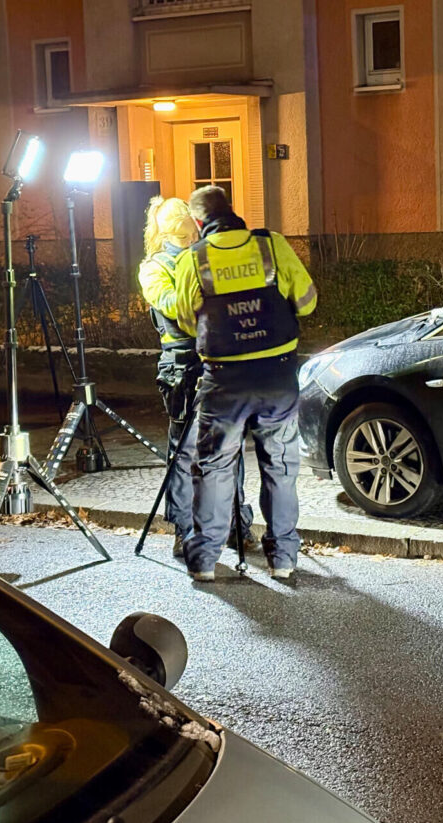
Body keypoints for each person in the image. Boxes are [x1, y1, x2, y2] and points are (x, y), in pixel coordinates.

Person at [172, 186, 317, 582]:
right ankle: (283, 558)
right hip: (277, 374)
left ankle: (204, 561)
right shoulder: (271, 246)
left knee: (215, 467)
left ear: (199, 221)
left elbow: (188, 321)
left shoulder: (194, 258)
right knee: (281, 465)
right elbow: (307, 301)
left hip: (224, 380)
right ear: (231, 210)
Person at [137, 196, 252, 560]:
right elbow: (176, 309)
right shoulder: (154, 269)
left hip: (217, 360)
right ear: (169, 233)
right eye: (185, 236)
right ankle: (185, 530)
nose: (189, 241)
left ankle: (235, 524)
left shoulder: (201, 260)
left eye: (191, 235)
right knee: (186, 452)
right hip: (184, 367)